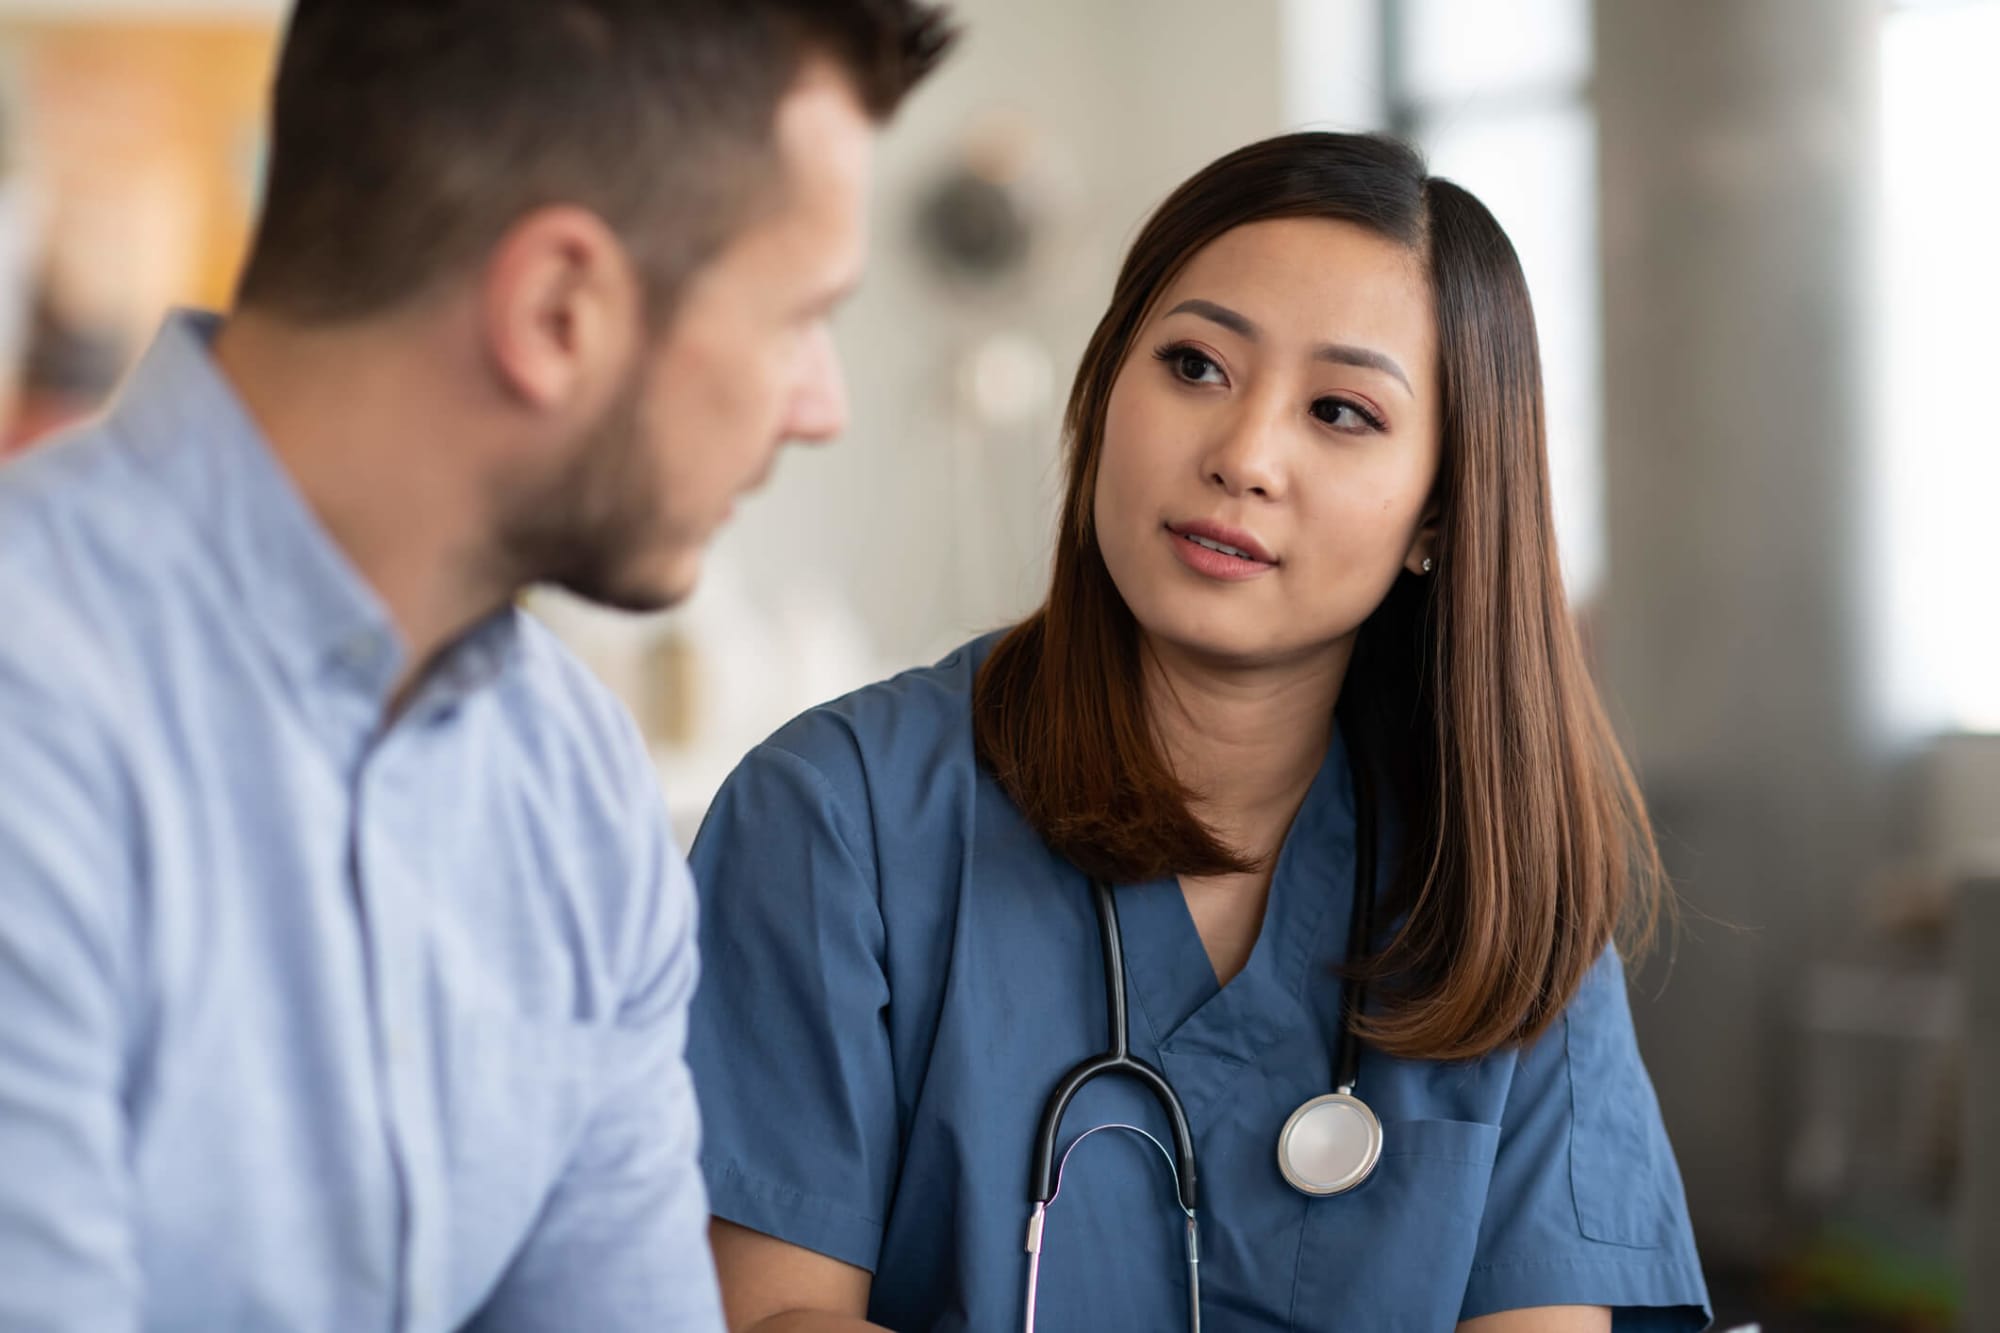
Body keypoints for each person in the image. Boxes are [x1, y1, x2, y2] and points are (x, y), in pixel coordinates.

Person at [0, 2, 953, 1329]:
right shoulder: (33, 714)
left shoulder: (576, 789)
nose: (821, 406)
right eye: (801, 318)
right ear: (559, 308)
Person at [686, 132, 1712, 1332]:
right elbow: (772, 1316)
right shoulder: (836, 817)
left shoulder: (1502, 885)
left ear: (1438, 510)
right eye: (1193, 365)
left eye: (1340, 409)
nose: (1241, 457)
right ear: (1102, 391)